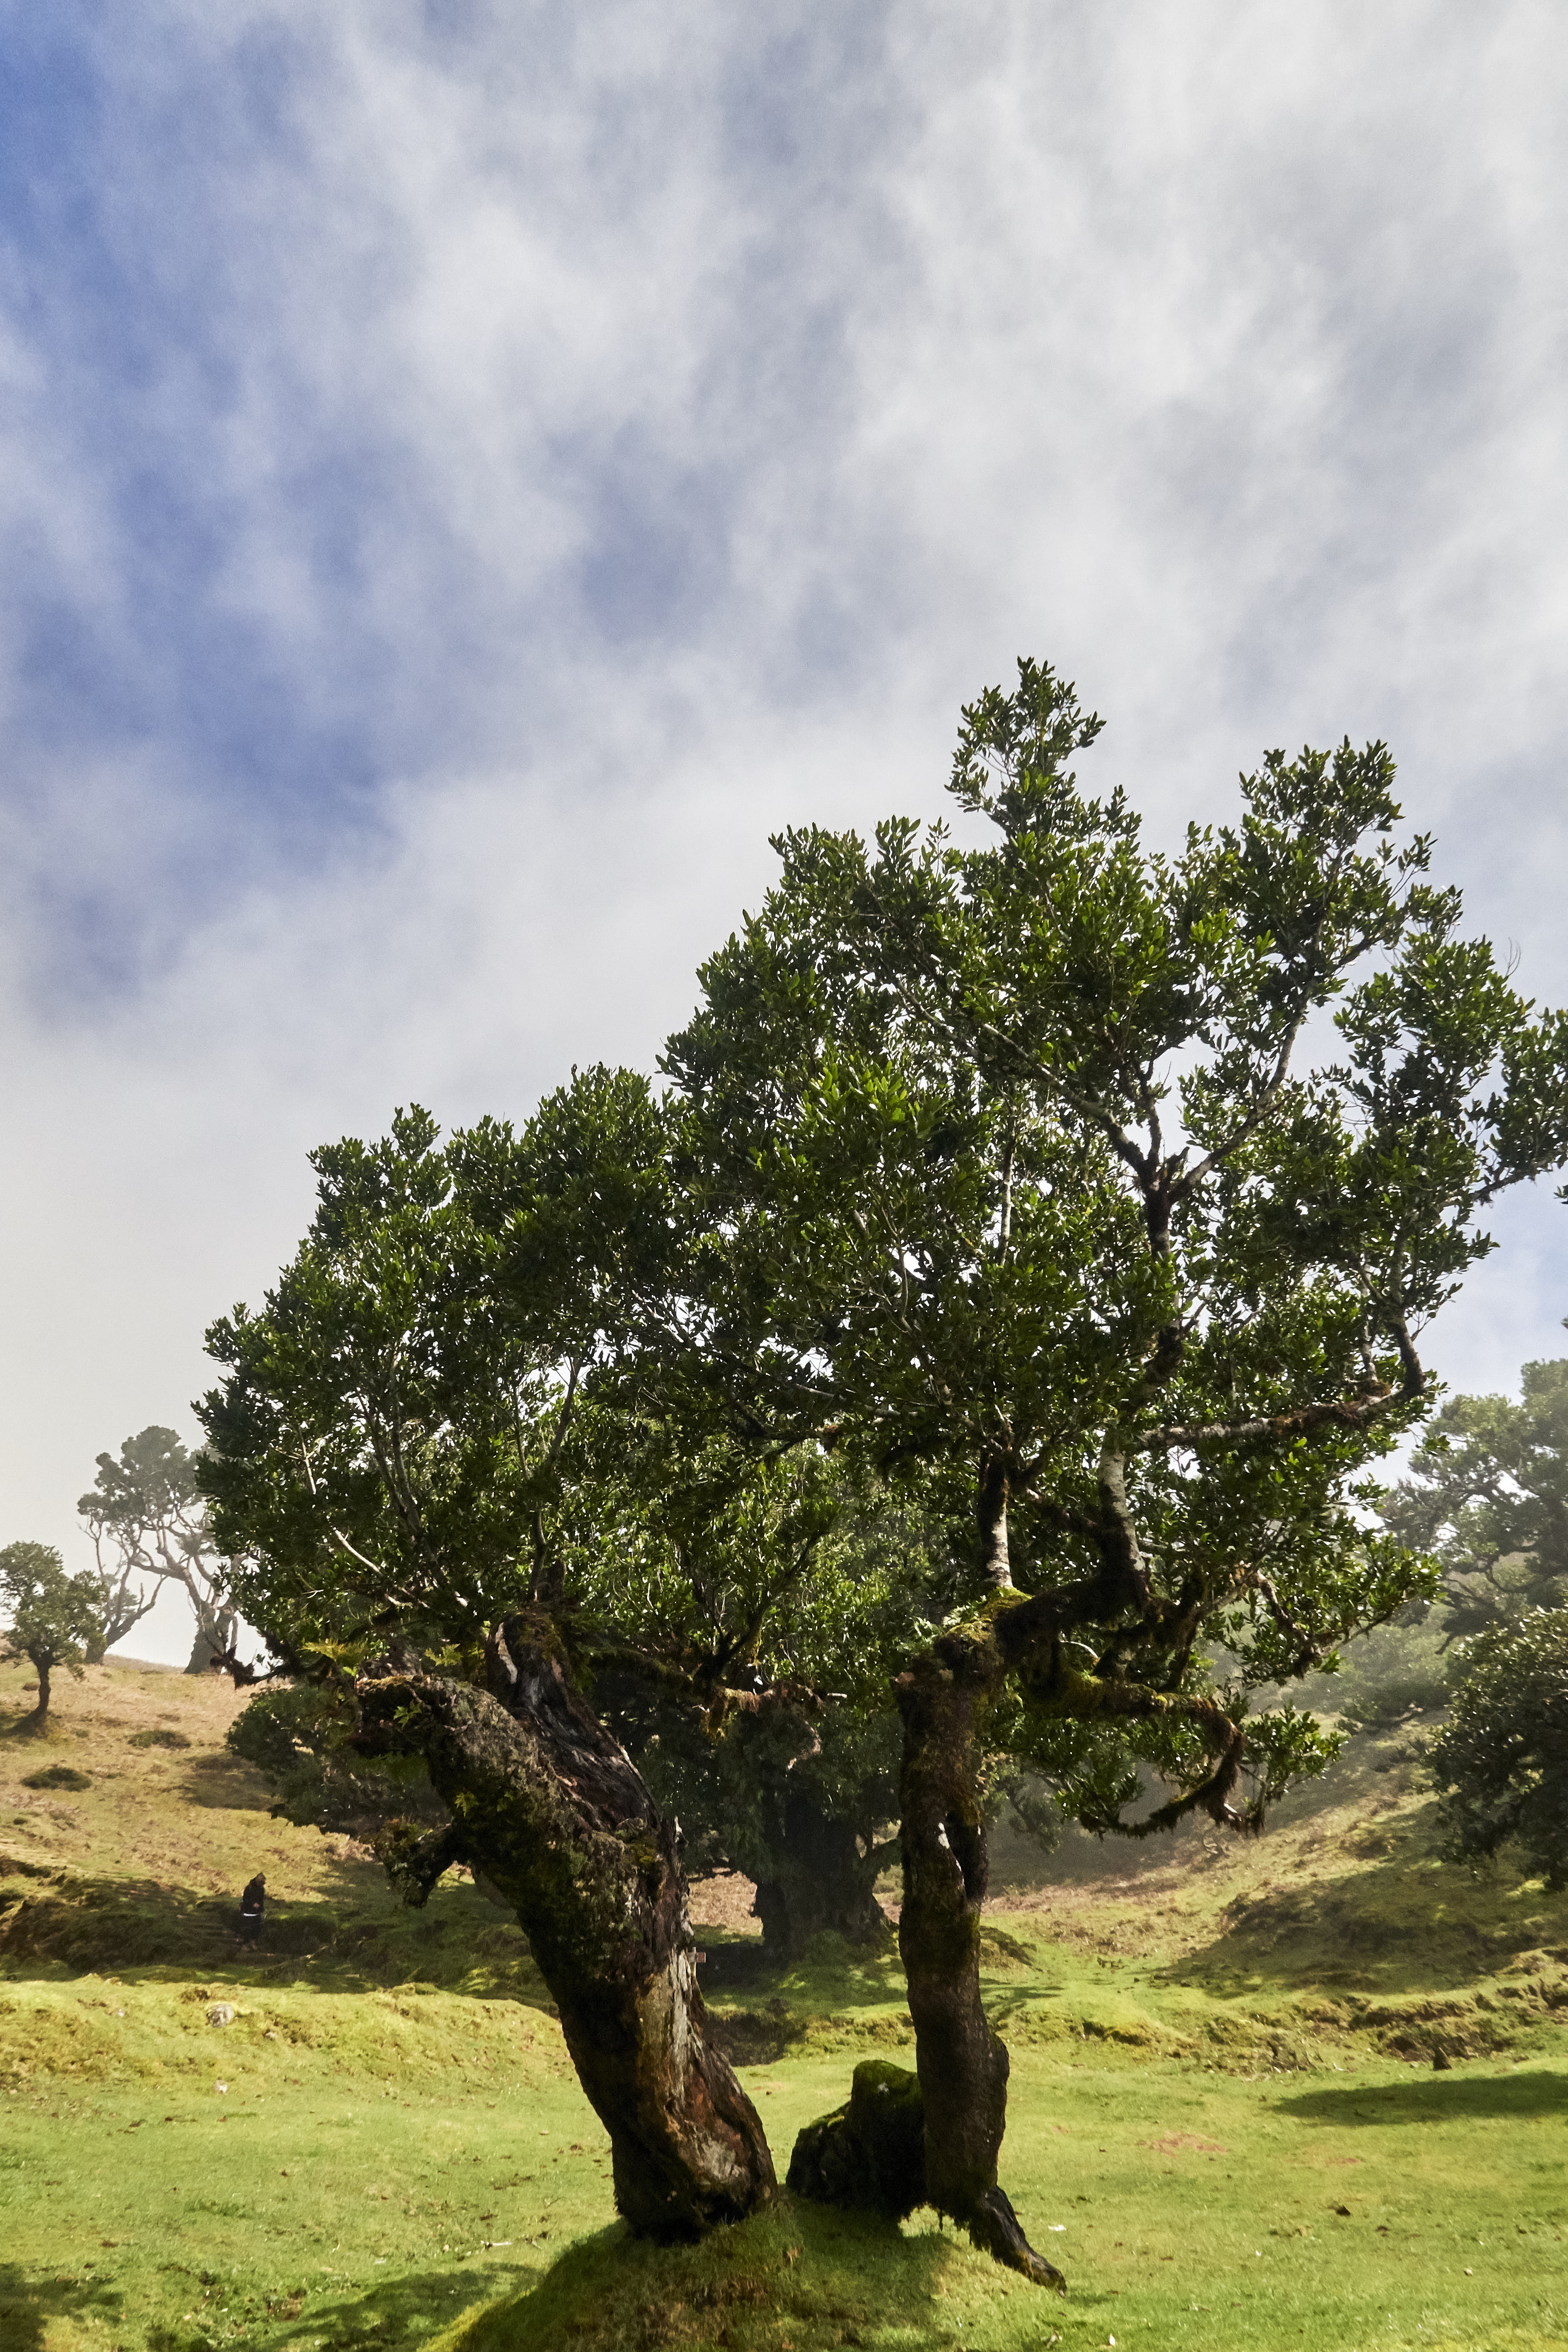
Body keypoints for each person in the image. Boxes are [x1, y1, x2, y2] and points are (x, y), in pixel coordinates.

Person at [238, 1871, 266, 1946]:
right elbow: (245, 1899)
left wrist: (260, 1907)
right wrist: (253, 1904)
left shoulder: (262, 1889)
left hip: (257, 1912)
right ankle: (246, 1944)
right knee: (247, 1929)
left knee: (256, 1928)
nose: (262, 1884)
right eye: (261, 1883)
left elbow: (261, 1900)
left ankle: (253, 1943)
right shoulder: (249, 1888)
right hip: (248, 1912)